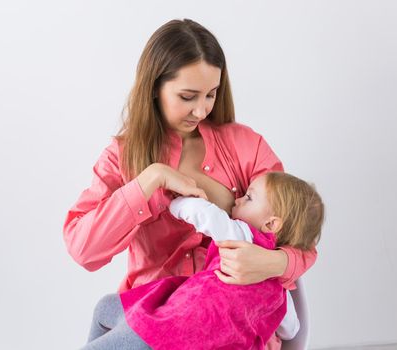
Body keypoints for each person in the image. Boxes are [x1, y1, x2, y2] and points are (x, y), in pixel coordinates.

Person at [63, 18, 317, 349]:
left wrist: (273, 264)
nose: (201, 109)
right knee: (106, 312)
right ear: (154, 87)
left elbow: (299, 233)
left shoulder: (245, 146)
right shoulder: (121, 158)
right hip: (155, 311)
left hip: (226, 319)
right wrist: (150, 181)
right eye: (187, 96)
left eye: (211, 94)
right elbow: (84, 250)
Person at [82, 171, 324, 349]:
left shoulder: (242, 235)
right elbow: (292, 329)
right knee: (107, 308)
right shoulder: (280, 295)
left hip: (167, 334)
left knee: (106, 318)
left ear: (271, 224)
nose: (238, 199)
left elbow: (204, 215)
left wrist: (176, 202)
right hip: (189, 336)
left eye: (249, 198)